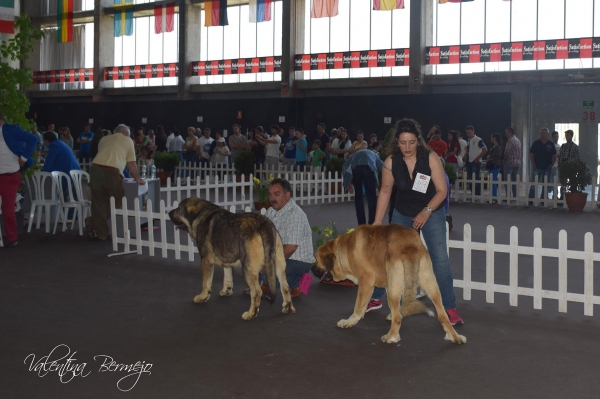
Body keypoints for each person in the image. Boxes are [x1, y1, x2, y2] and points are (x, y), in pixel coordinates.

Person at [368, 118, 463, 325]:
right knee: (391, 258)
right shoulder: (391, 162)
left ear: (418, 140)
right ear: (397, 142)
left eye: (411, 142)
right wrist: (377, 221)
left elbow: (442, 190)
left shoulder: (430, 158)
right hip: (402, 213)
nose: (407, 147)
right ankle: (375, 297)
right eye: (403, 143)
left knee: (440, 260)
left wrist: (426, 211)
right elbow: (385, 191)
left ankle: (450, 308)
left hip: (432, 211)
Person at [85, 124, 145, 241]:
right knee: (119, 197)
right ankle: (93, 221)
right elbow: (131, 163)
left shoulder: (103, 139)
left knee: (98, 202)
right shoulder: (128, 140)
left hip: (95, 169)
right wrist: (137, 178)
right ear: (125, 133)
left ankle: (102, 233)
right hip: (111, 172)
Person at [262, 179, 315, 297]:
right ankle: (273, 283)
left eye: (276, 194)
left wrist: (269, 263)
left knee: (268, 272)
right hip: (280, 255)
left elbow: (290, 249)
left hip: (298, 260)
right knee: (253, 265)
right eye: (270, 194)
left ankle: (300, 281)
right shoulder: (271, 212)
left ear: (287, 195)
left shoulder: (295, 215)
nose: (272, 198)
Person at [0, 112, 38, 248]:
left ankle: (12, 238)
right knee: (7, 209)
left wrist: (24, 157)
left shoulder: (10, 130)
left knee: (8, 209)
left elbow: (33, 139)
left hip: (9, 176)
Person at [342, 149, 383, 225]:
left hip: (356, 169)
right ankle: (372, 222)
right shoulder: (375, 155)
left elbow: (345, 166)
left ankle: (361, 223)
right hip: (368, 169)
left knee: (358, 196)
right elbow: (382, 167)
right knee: (371, 197)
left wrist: (347, 183)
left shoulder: (355, 154)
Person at [528, 127, 556, 202]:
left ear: (547, 134)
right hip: (537, 167)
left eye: (544, 133)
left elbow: (554, 155)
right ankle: (530, 199)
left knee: (545, 184)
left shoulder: (550, 144)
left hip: (547, 167)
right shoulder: (536, 143)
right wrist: (533, 164)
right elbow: (531, 153)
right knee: (534, 183)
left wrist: (551, 164)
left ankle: (543, 199)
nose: (542, 135)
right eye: (541, 133)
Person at [462, 125, 487, 197]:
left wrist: (477, 158)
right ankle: (472, 194)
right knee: (470, 179)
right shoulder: (468, 140)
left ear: (473, 132)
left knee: (476, 178)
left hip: (476, 162)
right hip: (469, 162)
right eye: (467, 133)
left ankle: (477, 195)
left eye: (470, 133)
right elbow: (468, 150)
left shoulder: (479, 140)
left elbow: (485, 150)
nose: (468, 134)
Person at [557, 129, 580, 200]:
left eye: (568, 135)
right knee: (563, 183)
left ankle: (572, 198)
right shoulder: (563, 146)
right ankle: (562, 198)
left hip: (571, 168)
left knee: (572, 183)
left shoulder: (575, 147)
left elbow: (577, 158)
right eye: (566, 136)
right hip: (563, 167)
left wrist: (575, 167)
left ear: (571, 136)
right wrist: (559, 165)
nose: (566, 137)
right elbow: (560, 156)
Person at [503, 127, 521, 199]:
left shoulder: (510, 141)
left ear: (510, 132)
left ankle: (508, 196)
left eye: (506, 132)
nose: (505, 134)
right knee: (514, 180)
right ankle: (515, 196)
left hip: (509, 162)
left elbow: (507, 152)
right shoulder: (517, 140)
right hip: (517, 162)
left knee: (507, 180)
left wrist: (504, 159)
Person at [485, 133, 503, 203]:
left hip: (495, 166)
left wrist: (490, 158)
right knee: (492, 182)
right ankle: (492, 197)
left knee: (493, 182)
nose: (491, 139)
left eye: (491, 137)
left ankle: (494, 198)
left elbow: (497, 156)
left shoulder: (498, 147)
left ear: (494, 138)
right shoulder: (494, 147)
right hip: (492, 166)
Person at [548, 131, 561, 200]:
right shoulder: (550, 146)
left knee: (555, 181)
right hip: (549, 166)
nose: (556, 138)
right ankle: (545, 195)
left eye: (557, 137)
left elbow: (558, 156)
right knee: (547, 181)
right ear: (552, 137)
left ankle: (555, 195)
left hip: (555, 166)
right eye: (555, 137)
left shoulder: (559, 146)